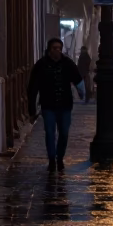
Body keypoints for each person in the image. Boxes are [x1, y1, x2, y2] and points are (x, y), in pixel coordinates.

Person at [27, 38, 83, 171]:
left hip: (65, 105)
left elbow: (77, 79)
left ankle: (60, 157)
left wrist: (82, 92)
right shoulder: (41, 65)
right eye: (54, 48)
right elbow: (33, 87)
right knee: (50, 133)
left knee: (64, 133)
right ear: (49, 49)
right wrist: (32, 109)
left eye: (59, 48)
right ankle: (52, 159)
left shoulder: (68, 63)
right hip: (48, 105)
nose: (57, 50)